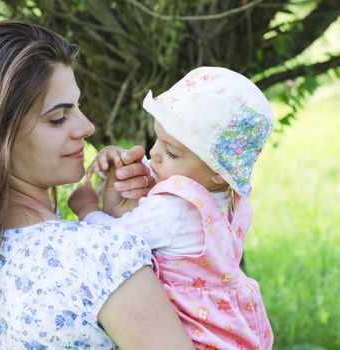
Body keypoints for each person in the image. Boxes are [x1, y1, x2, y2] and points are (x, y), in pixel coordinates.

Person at [0, 20, 194, 349]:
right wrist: (112, 234)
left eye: (78, 107)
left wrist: (114, 219)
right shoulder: (102, 258)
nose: (87, 126)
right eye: (57, 118)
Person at [69, 67, 274, 349]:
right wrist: (119, 170)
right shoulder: (227, 199)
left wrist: (88, 210)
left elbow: (115, 241)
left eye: (171, 152)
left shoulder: (175, 208)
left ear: (218, 172)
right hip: (226, 327)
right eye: (157, 140)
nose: (153, 153)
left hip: (187, 333)